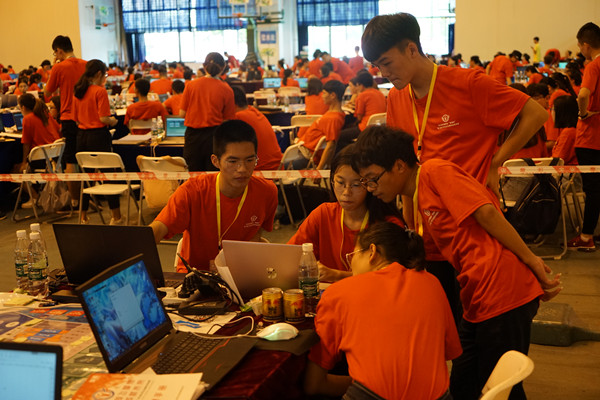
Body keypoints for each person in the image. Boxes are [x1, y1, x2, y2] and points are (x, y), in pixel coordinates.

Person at [361, 12, 548, 325]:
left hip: (471, 234)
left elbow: (536, 115)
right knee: (440, 330)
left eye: (387, 63)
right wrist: (409, 226)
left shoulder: (467, 83)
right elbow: (402, 165)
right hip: (428, 236)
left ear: (411, 49)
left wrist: (496, 160)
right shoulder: (396, 98)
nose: (383, 73)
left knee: (474, 328)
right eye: (377, 66)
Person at [353, 126, 561, 400]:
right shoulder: (419, 197)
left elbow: (487, 213)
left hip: (502, 289)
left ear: (400, 166)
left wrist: (531, 261)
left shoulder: (434, 171)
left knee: (501, 389)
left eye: (373, 179)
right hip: (477, 294)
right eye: (366, 182)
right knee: (464, 384)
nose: (371, 189)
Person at [304, 221, 462, 399]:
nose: (350, 266)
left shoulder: (339, 293)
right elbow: (448, 352)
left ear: (372, 252)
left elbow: (314, 384)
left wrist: (362, 382)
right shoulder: (432, 283)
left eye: (352, 256)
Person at [150, 120, 278, 272]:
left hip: (239, 275)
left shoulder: (267, 192)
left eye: (250, 160)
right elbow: (156, 231)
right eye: (233, 161)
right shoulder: (192, 192)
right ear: (215, 161)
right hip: (194, 275)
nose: (242, 169)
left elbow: (256, 232)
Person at [289, 145, 403, 282]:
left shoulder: (388, 225)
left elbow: (392, 277)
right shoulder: (323, 214)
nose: (346, 192)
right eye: (340, 182)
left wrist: (338, 276)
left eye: (356, 185)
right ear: (332, 181)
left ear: (369, 184)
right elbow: (289, 255)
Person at [72, 59, 121, 224]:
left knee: (85, 177)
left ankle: (83, 216)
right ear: (99, 74)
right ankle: (116, 216)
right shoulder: (100, 91)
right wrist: (114, 122)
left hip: (81, 137)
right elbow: (103, 118)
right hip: (98, 136)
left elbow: (75, 119)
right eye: (105, 75)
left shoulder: (78, 91)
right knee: (108, 175)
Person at [567, 22, 600, 251]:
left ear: (586, 45)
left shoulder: (593, 66)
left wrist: (583, 113)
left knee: (593, 189)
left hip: (591, 137)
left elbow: (583, 94)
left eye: (580, 46)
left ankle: (587, 236)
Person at [44, 35, 87, 208]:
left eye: (55, 53)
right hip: (85, 117)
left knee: (71, 160)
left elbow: (47, 92)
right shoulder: (86, 64)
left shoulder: (59, 67)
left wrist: (54, 68)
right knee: (86, 159)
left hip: (69, 117)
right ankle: (89, 198)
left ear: (59, 51)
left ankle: (75, 201)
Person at [179, 52, 235, 171]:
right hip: (214, 136)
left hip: (193, 137)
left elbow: (181, 114)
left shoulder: (191, 85)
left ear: (204, 66)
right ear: (223, 67)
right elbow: (228, 120)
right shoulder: (227, 89)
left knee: (193, 175)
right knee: (212, 175)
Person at [17, 94, 61, 208]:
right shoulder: (45, 114)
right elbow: (58, 129)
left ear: (23, 107)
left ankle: (35, 198)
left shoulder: (27, 119)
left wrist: (24, 162)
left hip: (41, 159)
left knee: (16, 171)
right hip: (56, 157)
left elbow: (26, 143)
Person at [296, 80, 346, 170]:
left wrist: (319, 170)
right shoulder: (332, 113)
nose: (322, 96)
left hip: (307, 155)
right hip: (304, 150)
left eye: (324, 93)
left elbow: (331, 146)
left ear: (333, 95)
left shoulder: (333, 118)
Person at [231, 86, 282, 170]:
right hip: (278, 167)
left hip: (261, 170)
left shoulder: (238, 118)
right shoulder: (254, 111)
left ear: (231, 103)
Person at [336, 72, 386, 154]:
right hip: (379, 127)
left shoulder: (362, 95)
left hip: (365, 128)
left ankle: (352, 153)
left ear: (360, 85)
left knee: (338, 136)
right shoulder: (380, 93)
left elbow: (359, 117)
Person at [552, 95, 578, 165]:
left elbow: (557, 160)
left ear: (560, 112)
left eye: (553, 109)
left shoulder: (568, 133)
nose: (551, 113)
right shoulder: (571, 130)